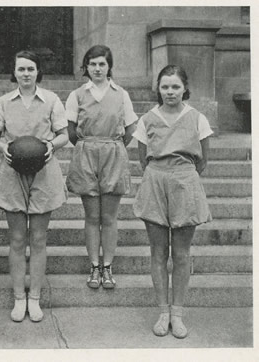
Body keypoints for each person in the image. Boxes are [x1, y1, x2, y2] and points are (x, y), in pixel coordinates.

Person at [0, 50, 68, 322]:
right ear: (15, 72)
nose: (26, 74)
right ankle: (19, 298)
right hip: (13, 171)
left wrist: (49, 145)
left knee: (40, 239)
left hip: (44, 170)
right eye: (21, 69)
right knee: (18, 239)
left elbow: (63, 135)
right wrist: (4, 148)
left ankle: (35, 298)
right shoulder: (3, 102)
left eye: (30, 69)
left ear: (37, 71)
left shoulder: (52, 100)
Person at [133, 65, 212, 338]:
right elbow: (142, 158)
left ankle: (177, 314)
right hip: (155, 181)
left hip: (185, 183)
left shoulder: (197, 118)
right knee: (158, 252)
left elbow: (203, 159)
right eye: (165, 87)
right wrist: (160, 176)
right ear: (158, 89)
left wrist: (182, 178)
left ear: (184, 88)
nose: (170, 92)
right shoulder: (147, 119)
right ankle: (162, 311)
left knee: (181, 253)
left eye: (175, 87)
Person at [65, 45, 138, 289]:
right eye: (92, 64)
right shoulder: (77, 95)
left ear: (109, 67)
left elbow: (129, 130)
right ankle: (94, 265)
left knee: (109, 216)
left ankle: (107, 266)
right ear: (86, 67)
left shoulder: (121, 94)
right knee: (91, 215)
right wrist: (91, 146)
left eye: (102, 64)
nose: (97, 69)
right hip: (86, 153)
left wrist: (111, 147)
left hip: (113, 153)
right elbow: (71, 131)